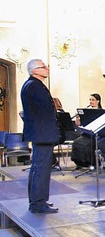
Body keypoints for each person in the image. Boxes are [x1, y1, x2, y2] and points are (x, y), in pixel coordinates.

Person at [21, 59, 59, 214]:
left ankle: (38, 201)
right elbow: (43, 112)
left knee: (39, 167)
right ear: (35, 70)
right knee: (41, 169)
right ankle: (38, 203)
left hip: (40, 132)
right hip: (42, 133)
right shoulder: (34, 86)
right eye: (44, 67)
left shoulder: (31, 85)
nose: (47, 68)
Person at [70, 93, 104, 169]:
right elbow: (78, 124)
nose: (91, 102)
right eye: (90, 100)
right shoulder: (86, 111)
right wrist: (78, 118)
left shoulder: (101, 112)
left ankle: (91, 163)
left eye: (93, 100)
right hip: (86, 134)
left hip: (96, 134)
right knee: (76, 143)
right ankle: (79, 163)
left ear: (98, 101)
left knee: (86, 145)